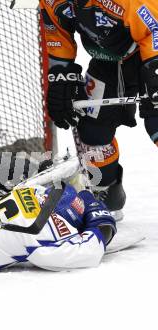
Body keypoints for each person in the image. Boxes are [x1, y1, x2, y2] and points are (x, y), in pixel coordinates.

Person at [40, 0, 158, 220]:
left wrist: (155, 70)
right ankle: (107, 193)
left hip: (148, 56)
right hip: (106, 62)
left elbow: (154, 27)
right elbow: (57, 34)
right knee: (93, 131)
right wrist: (61, 78)